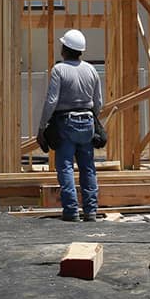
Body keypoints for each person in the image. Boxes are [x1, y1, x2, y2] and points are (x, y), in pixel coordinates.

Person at [36, 29, 103, 222]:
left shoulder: (59, 70)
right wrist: (93, 121)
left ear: (65, 49)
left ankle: (71, 211)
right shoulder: (91, 70)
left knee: (65, 167)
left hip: (66, 123)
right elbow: (98, 101)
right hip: (87, 122)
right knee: (87, 168)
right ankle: (91, 211)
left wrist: (42, 128)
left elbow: (51, 101)